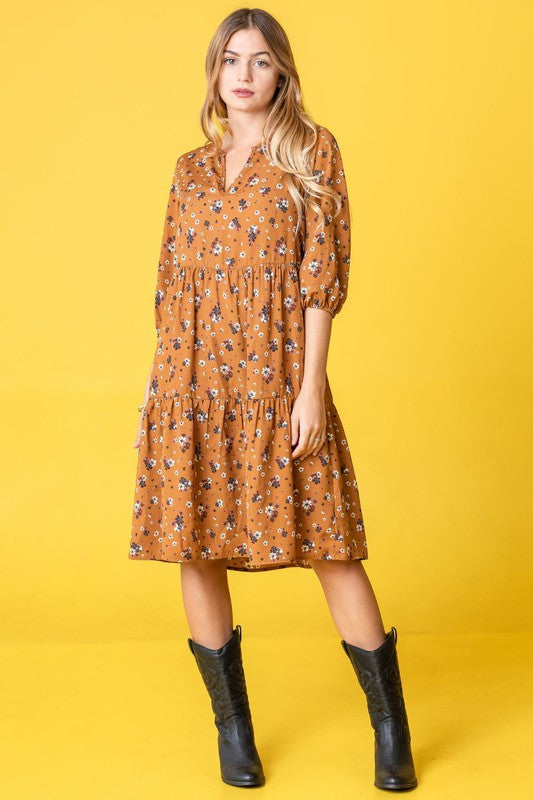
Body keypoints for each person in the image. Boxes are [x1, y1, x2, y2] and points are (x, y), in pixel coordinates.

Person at [129, 7, 417, 792]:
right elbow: (170, 287)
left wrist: (309, 388)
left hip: (277, 377)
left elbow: (321, 282)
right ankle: (234, 731)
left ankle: (389, 729)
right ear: (215, 76)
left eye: (259, 61)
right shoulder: (189, 168)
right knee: (195, 547)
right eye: (231, 61)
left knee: (330, 546)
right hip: (192, 381)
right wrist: (162, 393)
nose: (245, 75)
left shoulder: (311, 154)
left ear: (281, 72)